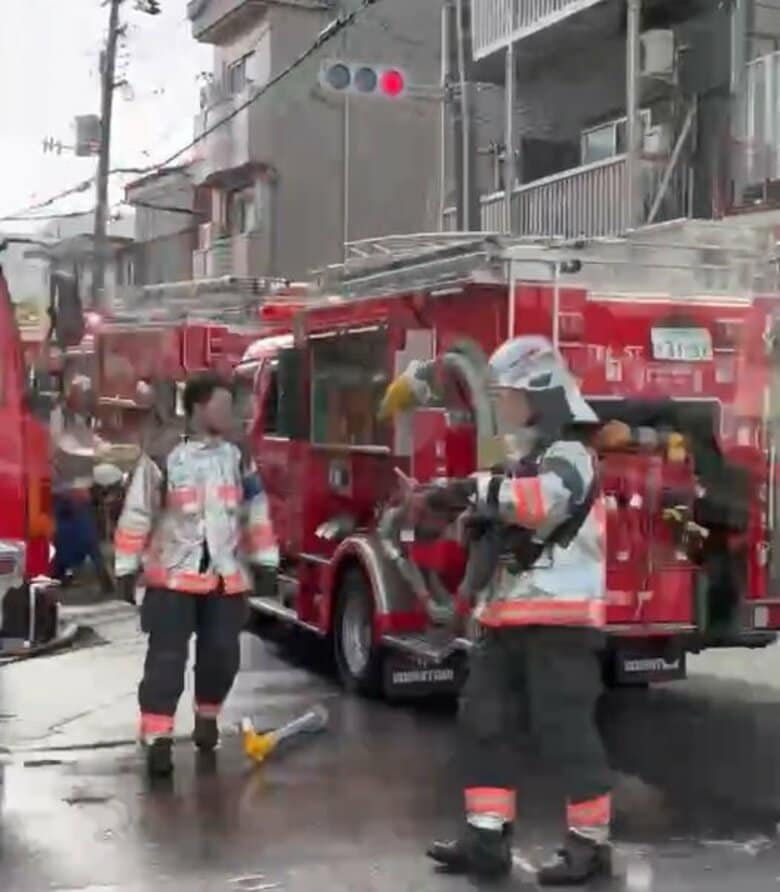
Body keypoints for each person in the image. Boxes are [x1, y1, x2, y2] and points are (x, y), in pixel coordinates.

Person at [420, 335, 612, 886]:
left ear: (543, 395)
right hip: (506, 623)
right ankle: (486, 840)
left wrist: (468, 490)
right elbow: (506, 519)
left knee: (566, 733)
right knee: (484, 725)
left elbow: (540, 503)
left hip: (561, 626)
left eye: (509, 395)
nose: (500, 406)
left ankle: (590, 847)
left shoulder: (571, 456)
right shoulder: (523, 460)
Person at [113, 371, 279, 778]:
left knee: (221, 656)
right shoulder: (165, 454)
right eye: (222, 405)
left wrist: (266, 560)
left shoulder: (238, 455)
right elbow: (138, 513)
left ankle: (208, 717)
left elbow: (254, 511)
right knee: (166, 662)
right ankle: (158, 739)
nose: (230, 412)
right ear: (200, 408)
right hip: (172, 578)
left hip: (225, 579)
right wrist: (125, 566)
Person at [50, 373, 114, 594]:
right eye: (82, 395)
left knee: (80, 533)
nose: (85, 399)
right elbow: (59, 448)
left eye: (87, 395)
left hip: (78, 487)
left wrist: (104, 448)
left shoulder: (82, 418)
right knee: (76, 533)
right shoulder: (59, 416)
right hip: (63, 487)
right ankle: (95, 574)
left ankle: (63, 573)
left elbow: (88, 441)